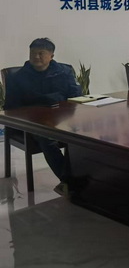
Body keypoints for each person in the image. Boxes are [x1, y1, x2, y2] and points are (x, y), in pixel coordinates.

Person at [4, 38, 82, 194]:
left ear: (51, 56)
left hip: (61, 117)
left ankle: (79, 179)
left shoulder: (64, 71)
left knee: (82, 134)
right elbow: (11, 106)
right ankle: (69, 181)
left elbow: (75, 95)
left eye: (41, 53)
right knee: (47, 138)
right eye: (33, 53)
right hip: (32, 122)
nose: (36, 57)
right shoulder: (18, 77)